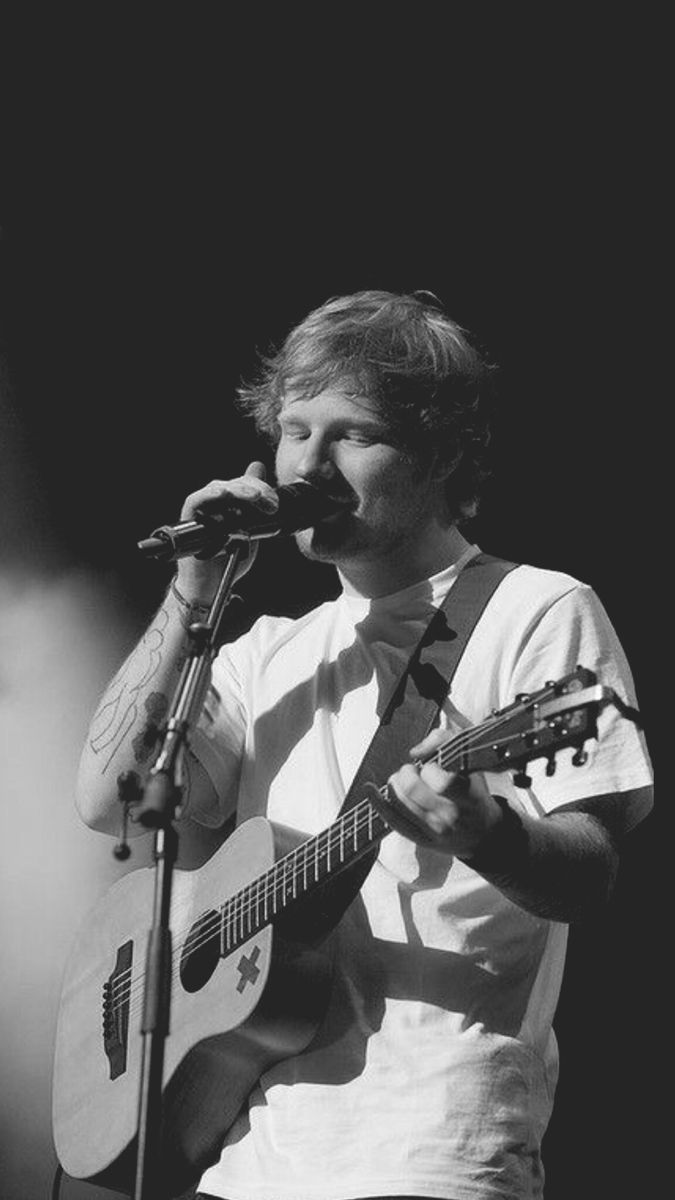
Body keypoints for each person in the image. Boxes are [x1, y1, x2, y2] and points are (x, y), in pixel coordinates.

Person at [75, 290, 653, 1200]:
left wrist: (487, 836)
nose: (308, 462)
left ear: (441, 454)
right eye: (295, 429)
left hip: (428, 1149)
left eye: (354, 434)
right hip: (248, 1158)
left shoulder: (536, 609)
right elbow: (110, 798)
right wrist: (193, 591)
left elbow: (592, 872)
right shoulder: (268, 650)